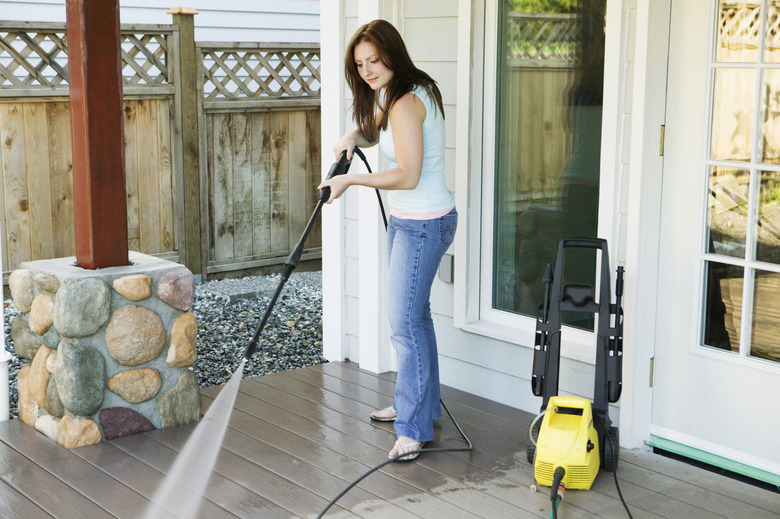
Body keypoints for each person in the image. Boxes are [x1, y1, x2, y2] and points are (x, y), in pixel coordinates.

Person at [318, 19, 457, 462]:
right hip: (415, 221)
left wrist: (351, 181)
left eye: (374, 61)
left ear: (391, 55)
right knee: (418, 317)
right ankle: (422, 403)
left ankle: (413, 428)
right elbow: (373, 132)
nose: (368, 71)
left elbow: (408, 174)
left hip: (422, 223)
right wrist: (349, 137)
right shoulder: (406, 92)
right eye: (360, 65)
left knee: (404, 323)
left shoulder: (404, 103)